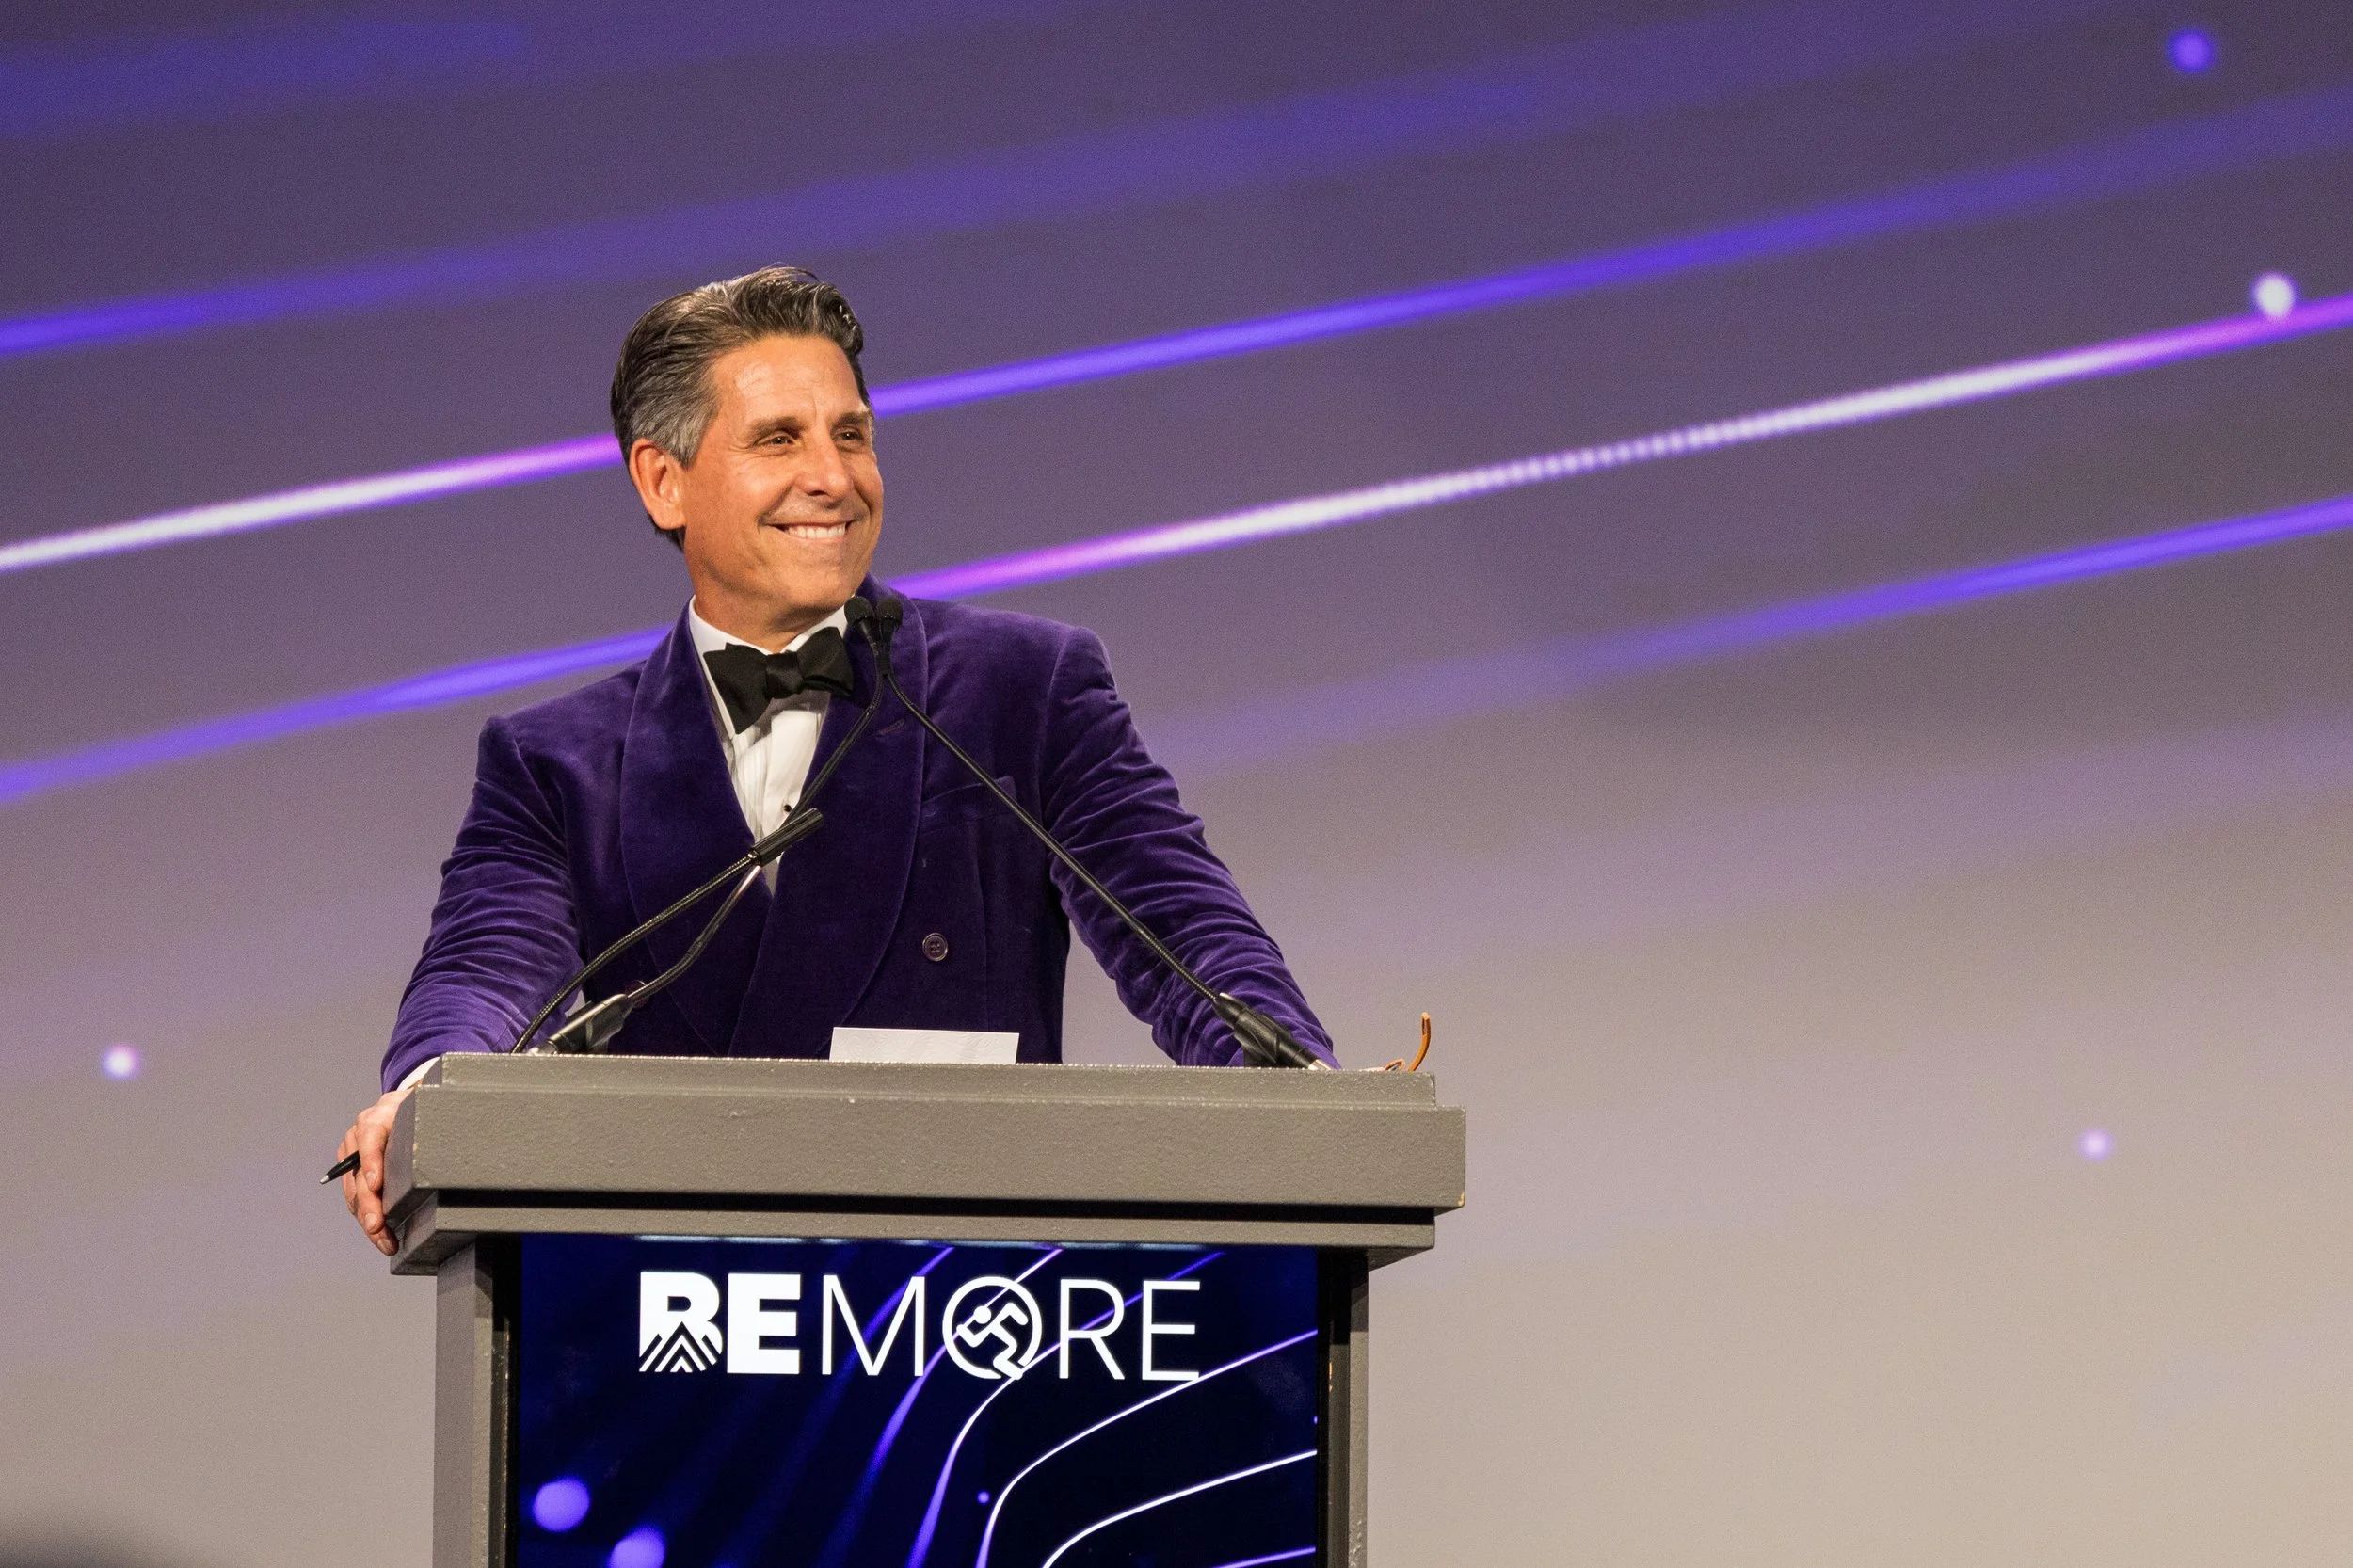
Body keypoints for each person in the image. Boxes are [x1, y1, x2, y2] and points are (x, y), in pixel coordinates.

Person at [336, 266, 1332, 1253]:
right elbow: (486, 968)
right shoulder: (553, 761)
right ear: (663, 480)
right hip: (664, 1306)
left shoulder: (1023, 688)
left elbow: (1182, 928)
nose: (834, 477)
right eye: (780, 439)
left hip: (963, 1303)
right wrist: (426, 1094)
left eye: (851, 435)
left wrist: (1294, 1085)